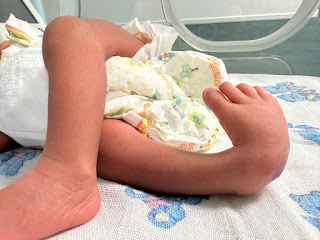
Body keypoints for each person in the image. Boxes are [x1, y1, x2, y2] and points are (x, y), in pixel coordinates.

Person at [0, 16, 290, 240]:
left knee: (67, 29)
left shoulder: (22, 43)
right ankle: (238, 168)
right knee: (104, 146)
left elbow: (115, 44)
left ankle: (65, 174)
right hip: (94, 129)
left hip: (126, 80)